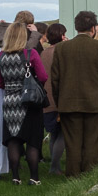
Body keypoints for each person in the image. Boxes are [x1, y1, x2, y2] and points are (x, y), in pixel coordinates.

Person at [48, 10, 98, 177]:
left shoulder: (61, 48)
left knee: (72, 143)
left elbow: (55, 80)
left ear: (76, 27)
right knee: (92, 143)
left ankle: (73, 175)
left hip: (68, 104)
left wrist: (60, 102)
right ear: (93, 29)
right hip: (95, 104)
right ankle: (88, 175)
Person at [0, 20, 49, 186]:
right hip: (29, 101)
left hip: (10, 101)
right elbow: (43, 76)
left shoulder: (1, 56)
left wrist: (10, 87)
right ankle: (34, 177)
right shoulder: (30, 54)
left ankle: (16, 177)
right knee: (32, 141)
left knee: (13, 140)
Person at [41, 23, 67, 175]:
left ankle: (54, 166)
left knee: (53, 134)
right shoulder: (62, 52)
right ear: (61, 35)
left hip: (46, 99)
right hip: (59, 98)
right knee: (63, 134)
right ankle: (54, 167)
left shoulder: (44, 53)